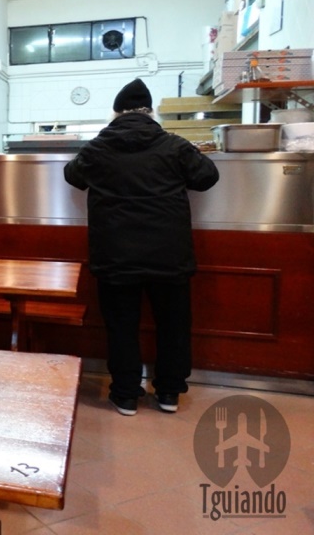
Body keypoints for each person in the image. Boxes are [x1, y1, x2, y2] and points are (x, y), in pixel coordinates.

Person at [63, 78, 219, 416]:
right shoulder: (174, 145)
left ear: (116, 114)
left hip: (116, 254)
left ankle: (125, 395)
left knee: (121, 325)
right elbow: (207, 177)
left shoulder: (97, 147)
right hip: (168, 254)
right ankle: (169, 393)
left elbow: (72, 176)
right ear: (150, 114)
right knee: (173, 325)